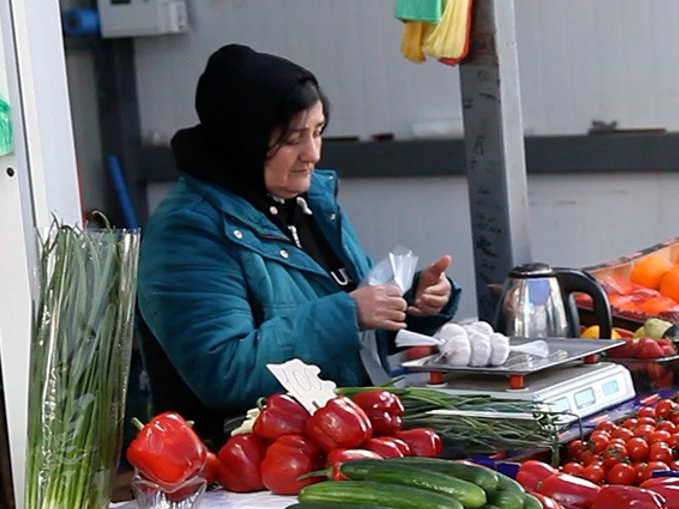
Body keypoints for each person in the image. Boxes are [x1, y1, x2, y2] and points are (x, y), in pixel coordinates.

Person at [137, 44, 460, 443]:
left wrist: (411, 304)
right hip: (244, 462)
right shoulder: (188, 232)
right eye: (293, 139)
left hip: (336, 439)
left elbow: (352, 327)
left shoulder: (311, 205)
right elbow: (224, 372)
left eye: (318, 132)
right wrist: (349, 314)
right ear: (243, 139)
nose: (313, 154)